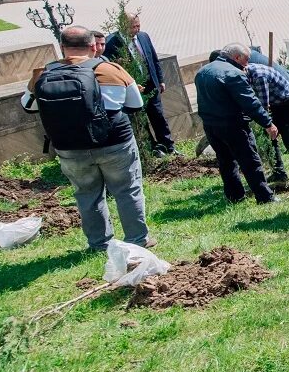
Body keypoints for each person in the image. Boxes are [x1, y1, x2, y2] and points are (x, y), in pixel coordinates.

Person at [22, 25, 153, 250]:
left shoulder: (44, 74)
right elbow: (136, 104)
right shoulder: (111, 69)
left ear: (62, 48)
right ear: (93, 46)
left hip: (69, 147)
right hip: (115, 143)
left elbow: (27, 105)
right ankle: (137, 239)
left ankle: (99, 243)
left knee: (87, 194)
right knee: (127, 189)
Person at [196, 44, 279, 204]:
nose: (247, 64)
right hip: (233, 125)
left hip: (210, 126)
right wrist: (268, 123)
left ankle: (235, 196)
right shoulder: (233, 74)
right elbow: (250, 103)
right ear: (236, 58)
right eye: (246, 60)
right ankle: (264, 196)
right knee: (250, 160)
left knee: (225, 161)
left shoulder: (203, 72)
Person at [104, 13, 175, 154]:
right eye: (133, 27)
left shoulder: (143, 36)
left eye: (138, 26)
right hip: (132, 89)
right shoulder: (111, 43)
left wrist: (160, 80)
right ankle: (152, 148)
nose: (136, 29)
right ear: (122, 26)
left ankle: (168, 146)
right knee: (141, 121)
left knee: (158, 117)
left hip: (150, 86)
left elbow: (153, 59)